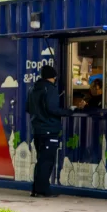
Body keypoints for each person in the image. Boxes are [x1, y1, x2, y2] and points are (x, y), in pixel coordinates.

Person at [27, 65, 67, 198]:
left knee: (41, 160)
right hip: (49, 129)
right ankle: (43, 190)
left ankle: (36, 189)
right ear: (53, 77)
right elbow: (52, 109)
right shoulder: (50, 89)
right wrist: (68, 111)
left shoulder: (32, 89)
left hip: (37, 130)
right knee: (47, 161)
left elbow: (28, 108)